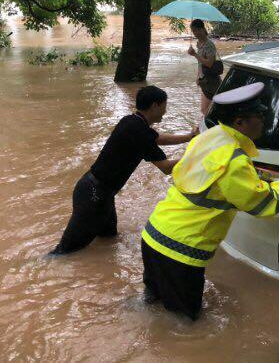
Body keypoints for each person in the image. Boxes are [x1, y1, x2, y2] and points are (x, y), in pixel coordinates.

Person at [140, 82, 279, 320]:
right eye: (260, 115)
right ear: (239, 122)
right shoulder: (234, 159)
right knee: (185, 325)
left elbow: (220, 177)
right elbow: (262, 204)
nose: (265, 120)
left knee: (152, 306)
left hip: (154, 235)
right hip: (180, 251)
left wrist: (265, 176)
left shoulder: (209, 137)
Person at [51, 86, 198, 255]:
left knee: (108, 240)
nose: (165, 111)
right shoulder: (141, 133)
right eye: (164, 106)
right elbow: (166, 167)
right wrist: (197, 155)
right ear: (155, 106)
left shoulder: (131, 121)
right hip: (94, 195)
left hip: (97, 191)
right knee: (64, 252)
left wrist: (190, 137)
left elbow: (157, 138)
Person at [187, 19, 222, 116]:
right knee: (206, 110)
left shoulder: (209, 45)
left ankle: (208, 124)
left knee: (205, 110)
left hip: (211, 82)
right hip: (204, 80)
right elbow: (200, 63)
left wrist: (195, 54)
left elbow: (209, 64)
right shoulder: (199, 44)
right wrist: (198, 76)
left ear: (203, 29)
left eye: (197, 30)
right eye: (193, 31)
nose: (195, 33)